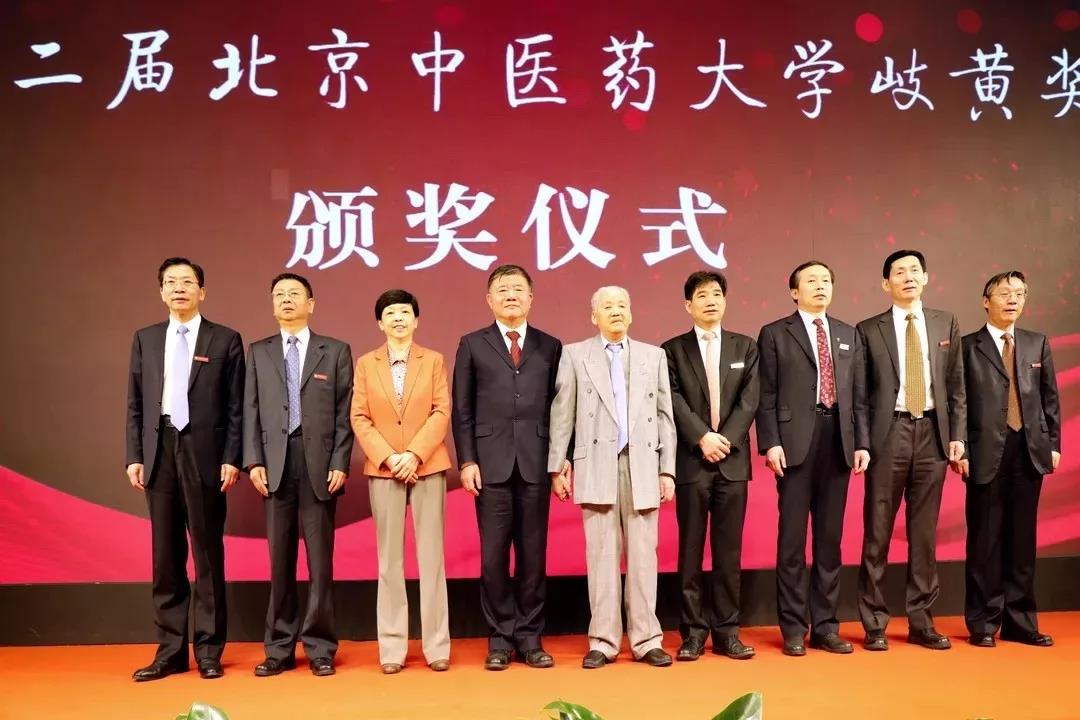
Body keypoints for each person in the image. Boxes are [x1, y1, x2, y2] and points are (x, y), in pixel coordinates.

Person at [125, 257, 244, 681]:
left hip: (205, 452)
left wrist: (232, 457)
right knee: (166, 557)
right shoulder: (146, 338)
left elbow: (236, 407)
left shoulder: (225, 339)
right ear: (161, 292)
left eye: (187, 282)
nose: (179, 288)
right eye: (171, 282)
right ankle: (171, 651)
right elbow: (135, 403)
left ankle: (208, 651)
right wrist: (135, 455)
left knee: (207, 555)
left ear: (202, 291)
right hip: (160, 450)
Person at [548, 286, 676, 669]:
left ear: (631, 313)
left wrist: (667, 469)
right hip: (596, 463)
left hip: (642, 464)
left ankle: (647, 639)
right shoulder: (575, 355)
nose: (616, 311)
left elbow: (665, 417)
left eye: (622, 305)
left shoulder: (653, 356)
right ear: (594, 316)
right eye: (608, 306)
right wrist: (558, 464)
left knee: (643, 557)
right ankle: (603, 641)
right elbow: (562, 414)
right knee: (601, 556)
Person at [451, 264, 562, 670]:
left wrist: (559, 461)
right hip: (490, 465)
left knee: (533, 556)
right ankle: (499, 638)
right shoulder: (472, 344)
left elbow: (560, 409)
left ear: (531, 297)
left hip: (536, 463)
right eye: (502, 289)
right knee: (494, 557)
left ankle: (530, 638)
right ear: (489, 299)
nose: (510, 295)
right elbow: (462, 409)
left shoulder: (550, 346)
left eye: (518, 289)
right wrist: (467, 460)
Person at [243, 273, 353, 677]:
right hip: (274, 464)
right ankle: (279, 648)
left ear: (311, 303)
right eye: (279, 295)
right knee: (279, 561)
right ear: (273, 305)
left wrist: (340, 461)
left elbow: (345, 413)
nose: (286, 300)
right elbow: (250, 409)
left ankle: (321, 647)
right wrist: (253, 461)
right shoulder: (259, 351)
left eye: (294, 294)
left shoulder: (335, 351)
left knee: (320, 562)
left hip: (320, 466)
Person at [756, 261, 868, 657]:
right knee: (791, 542)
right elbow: (765, 395)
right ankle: (792, 628)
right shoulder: (775, 333)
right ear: (794, 291)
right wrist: (770, 442)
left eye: (826, 281)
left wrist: (862, 442)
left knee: (829, 541)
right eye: (811, 281)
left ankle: (825, 626)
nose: (820, 286)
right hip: (794, 443)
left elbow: (858, 396)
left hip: (838, 440)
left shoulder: (847, 334)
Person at [856, 249, 966, 651]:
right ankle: (874, 623)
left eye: (915, 270)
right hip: (889, 434)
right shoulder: (869, 329)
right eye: (899, 272)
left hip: (932, 434)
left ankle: (921, 621)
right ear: (886, 283)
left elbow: (956, 385)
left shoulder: (944, 322)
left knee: (924, 535)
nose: (908, 277)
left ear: (926, 278)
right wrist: (863, 442)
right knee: (878, 532)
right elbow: (860, 395)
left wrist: (957, 435)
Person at [352, 289, 452, 673]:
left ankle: (437, 646)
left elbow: (441, 410)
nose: (398, 318)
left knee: (432, 559)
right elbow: (360, 416)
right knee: (389, 562)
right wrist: (390, 457)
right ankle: (392, 649)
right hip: (384, 469)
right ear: (380, 323)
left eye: (405, 312)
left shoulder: (433, 360)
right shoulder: (366, 364)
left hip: (426, 466)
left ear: (416, 320)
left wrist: (413, 454)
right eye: (390, 313)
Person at [661, 271, 760, 661]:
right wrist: (702, 437)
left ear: (725, 301)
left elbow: (750, 401)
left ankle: (727, 632)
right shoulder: (672, 350)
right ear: (688, 305)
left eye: (717, 294)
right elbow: (672, 399)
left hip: (732, 462)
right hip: (692, 462)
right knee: (690, 552)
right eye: (702, 296)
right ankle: (692, 633)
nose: (711, 301)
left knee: (728, 553)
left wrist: (725, 440)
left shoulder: (745, 347)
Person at [959, 271, 1060, 648]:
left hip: (1029, 450)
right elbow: (959, 402)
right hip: (984, 450)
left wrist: (1053, 443)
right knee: (984, 540)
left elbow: (1050, 398)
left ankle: (1020, 621)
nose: (1013, 299)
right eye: (1004, 293)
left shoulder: (1037, 342)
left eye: (1019, 293)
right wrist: (961, 447)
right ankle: (983, 623)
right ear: (986, 301)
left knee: (1022, 541)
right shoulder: (967, 346)